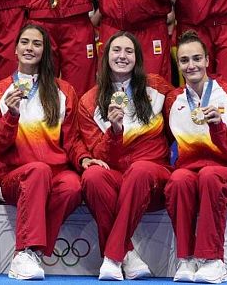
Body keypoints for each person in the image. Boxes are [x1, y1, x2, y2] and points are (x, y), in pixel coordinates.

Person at [0, 24, 84, 280]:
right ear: (15, 50)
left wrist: (84, 158)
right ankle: (24, 249)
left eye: (37, 44)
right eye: (25, 42)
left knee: (73, 186)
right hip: (13, 177)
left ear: (45, 51)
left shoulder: (64, 90)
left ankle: (31, 254)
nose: (30, 48)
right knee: (38, 171)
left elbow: (71, 140)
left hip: (56, 174)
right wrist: (11, 117)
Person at [78, 31, 173, 280]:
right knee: (93, 177)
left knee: (140, 169)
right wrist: (115, 131)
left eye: (129, 51)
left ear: (137, 58)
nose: (122, 56)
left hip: (152, 176)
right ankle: (127, 254)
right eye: (116, 51)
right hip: (117, 176)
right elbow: (96, 153)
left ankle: (112, 257)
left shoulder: (158, 88)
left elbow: (181, 122)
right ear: (105, 56)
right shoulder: (89, 101)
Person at [164, 30, 227, 283]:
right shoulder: (173, 100)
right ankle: (185, 259)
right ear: (178, 64)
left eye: (196, 58)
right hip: (194, 180)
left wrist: (219, 130)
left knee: (209, 174)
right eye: (184, 60)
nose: (190, 65)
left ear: (207, 60)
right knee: (179, 179)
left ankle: (213, 260)